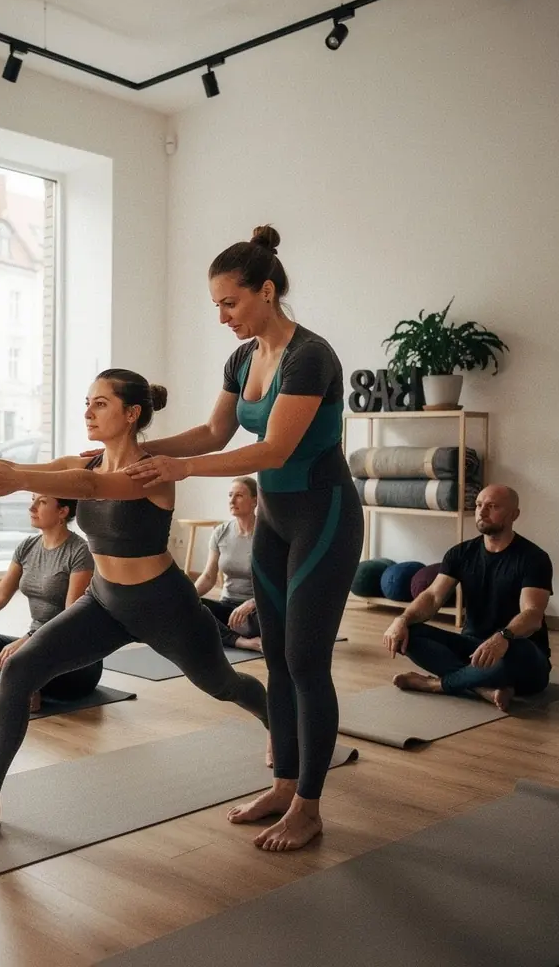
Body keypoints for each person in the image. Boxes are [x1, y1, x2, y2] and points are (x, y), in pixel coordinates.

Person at [0, 368, 268, 839]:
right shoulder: (85, 464)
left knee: (223, 684)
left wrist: (16, 478)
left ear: (131, 414)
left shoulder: (154, 468)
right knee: (20, 669)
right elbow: (15, 468)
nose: (88, 411)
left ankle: (274, 718)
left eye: (100, 403)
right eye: (87, 402)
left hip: (164, 604)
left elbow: (90, 490)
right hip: (105, 602)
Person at [114, 225, 363, 852]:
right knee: (276, 660)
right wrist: (137, 447)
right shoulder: (241, 358)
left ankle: (309, 805)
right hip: (277, 523)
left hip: (324, 516)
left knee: (307, 662)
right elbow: (214, 432)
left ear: (267, 292)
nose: (222, 316)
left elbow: (274, 446)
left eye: (230, 303)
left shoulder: (311, 356)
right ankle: (284, 785)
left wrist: (182, 470)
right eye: (216, 306)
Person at [382, 484, 552, 711]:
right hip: (472, 648)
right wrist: (401, 620)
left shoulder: (534, 558)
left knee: (519, 653)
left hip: (518, 653)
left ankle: (435, 685)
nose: (481, 512)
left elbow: (532, 615)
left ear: (514, 515)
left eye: (492, 506)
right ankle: (482, 688)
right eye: (479, 505)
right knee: (410, 634)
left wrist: (503, 637)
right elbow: (433, 597)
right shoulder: (460, 553)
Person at [0, 493, 98, 710]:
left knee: (24, 659)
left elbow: (71, 617)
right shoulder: (27, 547)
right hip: (33, 647)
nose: (31, 507)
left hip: (74, 661)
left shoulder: (79, 551)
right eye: (32, 500)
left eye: (41, 502)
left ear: (63, 511)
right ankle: (22, 686)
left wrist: (28, 639)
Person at [194, 477, 262, 652]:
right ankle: (243, 642)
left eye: (239, 495)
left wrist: (252, 603)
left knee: (273, 620)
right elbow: (209, 577)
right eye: (230, 495)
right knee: (190, 609)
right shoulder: (221, 532)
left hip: (256, 611)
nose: (232, 501)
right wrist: (187, 598)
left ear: (255, 500)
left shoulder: (267, 534)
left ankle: (226, 635)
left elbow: (280, 582)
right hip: (228, 607)